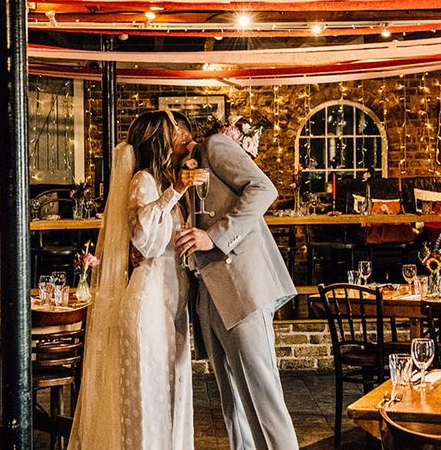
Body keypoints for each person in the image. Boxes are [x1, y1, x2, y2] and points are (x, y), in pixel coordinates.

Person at [68, 110, 208, 450]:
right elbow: (145, 238)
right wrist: (175, 190)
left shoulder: (164, 182)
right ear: (160, 141)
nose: (181, 138)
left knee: (173, 395)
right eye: (175, 133)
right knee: (147, 400)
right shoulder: (142, 181)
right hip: (147, 306)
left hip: (172, 302)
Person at [172, 113, 298, 450]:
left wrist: (214, 236)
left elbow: (263, 189)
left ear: (183, 133)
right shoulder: (180, 172)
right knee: (232, 403)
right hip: (207, 291)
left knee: (262, 394)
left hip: (240, 284)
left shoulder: (215, 146)